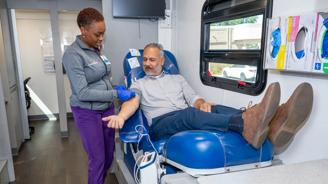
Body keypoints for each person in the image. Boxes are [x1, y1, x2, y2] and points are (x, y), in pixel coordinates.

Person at [102, 43, 313, 150]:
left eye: (152, 60)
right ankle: (250, 122)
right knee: (190, 115)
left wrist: (203, 103)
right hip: (160, 124)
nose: (147, 63)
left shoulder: (178, 79)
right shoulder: (139, 83)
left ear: (163, 60)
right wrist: (121, 116)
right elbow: (132, 101)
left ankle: (274, 121)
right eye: (145, 60)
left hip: (184, 114)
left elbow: (195, 98)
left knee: (214, 107)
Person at [62, 8, 135, 184]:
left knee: (109, 156)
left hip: (107, 109)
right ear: (83, 30)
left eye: (103, 34)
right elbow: (83, 92)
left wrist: (114, 87)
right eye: (97, 34)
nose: (101, 38)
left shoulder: (96, 49)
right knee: (98, 159)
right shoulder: (72, 55)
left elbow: (102, 77)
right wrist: (116, 93)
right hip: (87, 112)